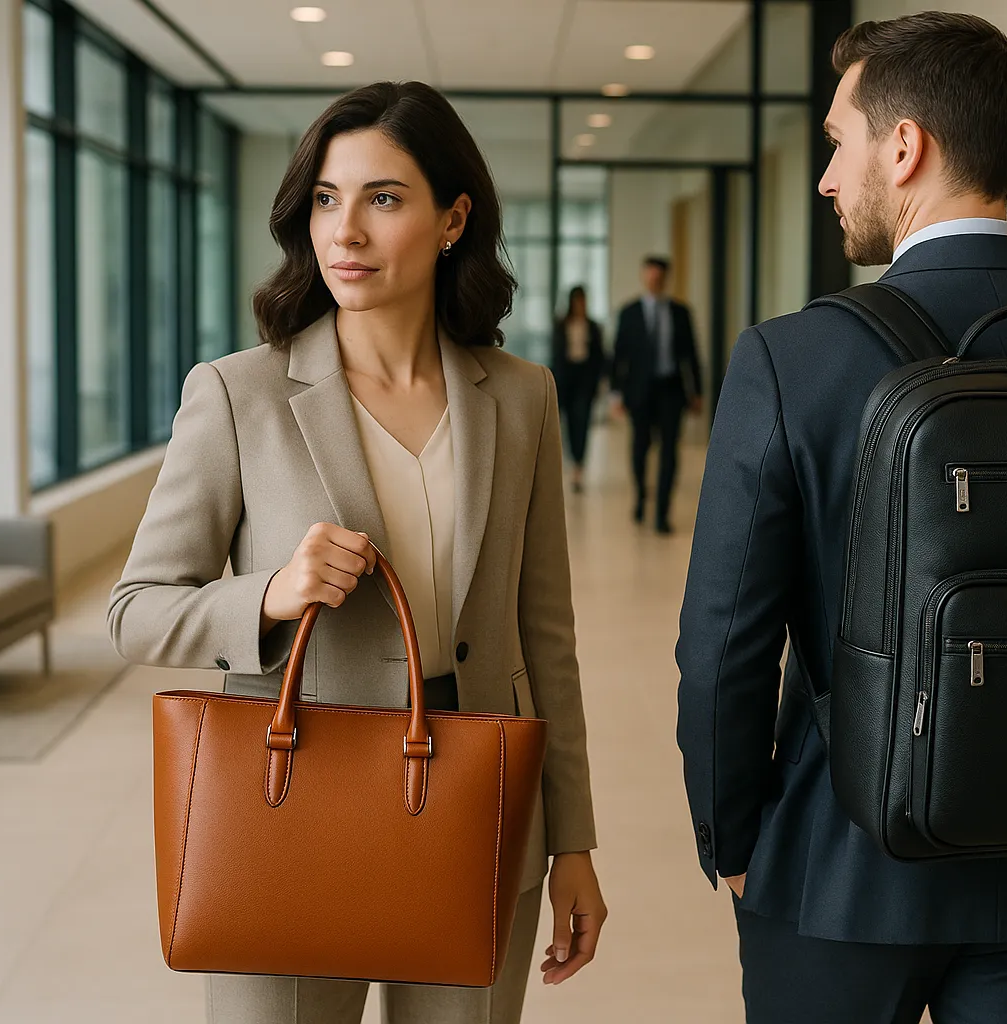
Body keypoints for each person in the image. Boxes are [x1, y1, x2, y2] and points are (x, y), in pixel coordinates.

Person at [676, 14, 1007, 1024]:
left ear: (905, 144)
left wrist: (737, 843)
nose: (832, 177)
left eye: (840, 141)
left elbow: (723, 645)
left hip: (840, 868)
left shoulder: (794, 360)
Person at [108, 81, 606, 1024]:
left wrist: (570, 840)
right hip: (291, 808)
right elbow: (135, 608)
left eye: (384, 198)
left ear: (453, 218)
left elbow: (546, 637)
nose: (346, 231)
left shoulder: (522, 397)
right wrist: (269, 595)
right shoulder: (237, 394)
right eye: (328, 200)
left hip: (475, 808)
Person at [610, 256, 703, 534]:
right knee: (640, 448)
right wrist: (616, 394)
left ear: (665, 279)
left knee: (669, 452)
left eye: (659, 277)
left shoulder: (680, 312)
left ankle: (662, 512)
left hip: (671, 390)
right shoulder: (629, 313)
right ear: (644, 277)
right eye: (650, 276)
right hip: (639, 391)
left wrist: (696, 392)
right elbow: (618, 356)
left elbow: (691, 354)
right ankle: (641, 497)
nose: (654, 281)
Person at [551, 285, 606, 493]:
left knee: (581, 421)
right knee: (566, 424)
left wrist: (599, 381)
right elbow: (556, 354)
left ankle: (578, 466)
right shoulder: (561, 325)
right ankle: (571, 460)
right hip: (566, 380)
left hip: (585, 379)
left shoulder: (593, 327)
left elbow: (600, 356)